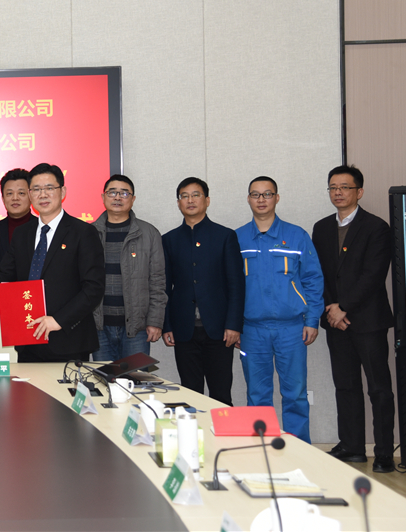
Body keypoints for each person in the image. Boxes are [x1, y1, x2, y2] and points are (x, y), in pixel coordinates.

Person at [0, 163, 105, 363]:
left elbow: (93, 288)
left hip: (68, 340)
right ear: (30, 194)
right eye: (36, 189)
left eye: (49, 188)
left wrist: (58, 321)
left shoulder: (83, 232)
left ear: (62, 192)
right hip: (28, 338)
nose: (43, 194)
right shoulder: (23, 234)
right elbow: (0, 275)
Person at [312, 165, 395, 472]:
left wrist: (343, 307)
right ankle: (352, 446)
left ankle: (384, 452)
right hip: (336, 322)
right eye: (333, 187)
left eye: (345, 187)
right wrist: (330, 309)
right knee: (345, 386)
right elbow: (317, 274)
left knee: (379, 388)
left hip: (368, 321)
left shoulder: (376, 227)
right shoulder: (321, 227)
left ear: (359, 192)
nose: (338, 193)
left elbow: (373, 275)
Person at [235, 177, 323, 443]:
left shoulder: (297, 236)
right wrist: (233, 325)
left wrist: (312, 320)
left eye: (267, 194)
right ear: (248, 199)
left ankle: (298, 449)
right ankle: (262, 449)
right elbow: (228, 287)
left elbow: (313, 279)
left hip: (292, 329)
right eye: (255, 194)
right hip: (252, 330)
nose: (261, 200)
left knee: (295, 394)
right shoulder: (237, 238)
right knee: (257, 396)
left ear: (277, 198)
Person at [162, 177, 244, 405]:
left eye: (196, 195)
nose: (190, 200)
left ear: (207, 200)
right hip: (183, 330)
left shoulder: (225, 236)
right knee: (190, 395)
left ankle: (223, 431)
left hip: (220, 331)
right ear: (178, 203)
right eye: (184, 196)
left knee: (221, 394)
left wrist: (234, 325)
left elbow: (236, 284)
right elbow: (164, 287)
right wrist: (166, 325)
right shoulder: (169, 240)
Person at [90, 174, 167, 362]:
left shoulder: (149, 233)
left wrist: (155, 321)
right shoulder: (89, 233)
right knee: (104, 378)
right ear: (103, 197)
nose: (117, 197)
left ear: (133, 199)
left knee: (136, 378)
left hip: (136, 329)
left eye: (124, 193)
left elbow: (157, 282)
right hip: (98, 327)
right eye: (112, 192)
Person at [0, 168, 33, 275]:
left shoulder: (44, 228)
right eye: (9, 193)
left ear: (31, 196)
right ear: (3, 198)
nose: (15, 198)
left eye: (21, 193)